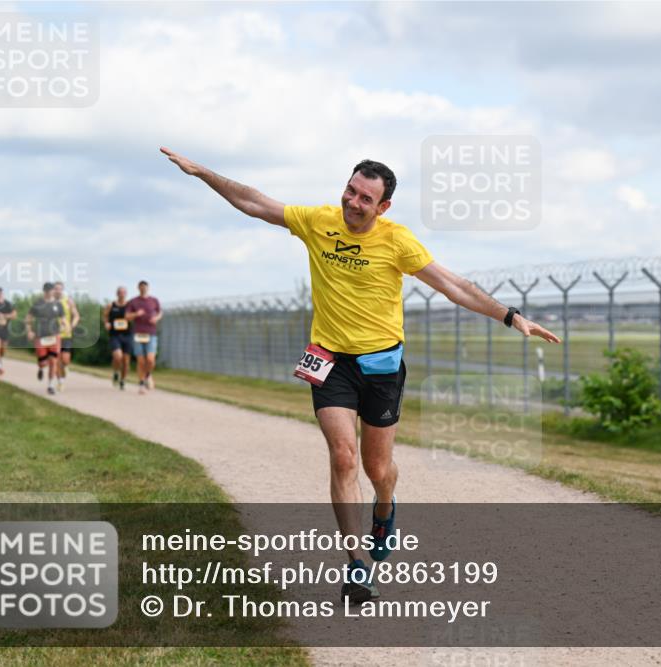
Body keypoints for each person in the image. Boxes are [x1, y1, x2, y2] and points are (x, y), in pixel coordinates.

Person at [161, 147, 561, 604]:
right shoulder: (317, 221)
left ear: (383, 206)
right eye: (350, 191)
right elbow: (254, 201)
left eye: (365, 199)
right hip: (329, 360)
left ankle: (385, 506)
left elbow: (454, 286)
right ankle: (357, 566)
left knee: (377, 468)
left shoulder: (397, 241)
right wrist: (201, 173)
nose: (353, 203)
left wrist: (511, 317)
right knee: (344, 457)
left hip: (381, 365)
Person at [26, 283, 64, 395]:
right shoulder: (38, 304)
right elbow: (28, 318)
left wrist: (63, 326)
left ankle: (50, 385)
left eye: (50, 290)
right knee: (43, 363)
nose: (48, 292)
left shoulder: (58, 304)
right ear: (44, 291)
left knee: (53, 361)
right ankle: (41, 368)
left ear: (53, 291)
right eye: (46, 290)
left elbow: (62, 320)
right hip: (40, 336)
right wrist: (29, 331)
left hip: (54, 336)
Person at [126, 280, 161, 394]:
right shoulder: (133, 301)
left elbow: (160, 312)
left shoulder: (154, 300)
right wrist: (136, 314)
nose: (143, 289)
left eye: (145, 287)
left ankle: (148, 375)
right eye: (141, 287)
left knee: (150, 359)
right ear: (138, 288)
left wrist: (156, 318)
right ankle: (141, 384)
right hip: (138, 334)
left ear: (148, 288)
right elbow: (127, 316)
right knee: (141, 361)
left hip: (151, 333)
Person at [103, 286, 133, 390]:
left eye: (124, 292)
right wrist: (106, 323)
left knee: (126, 361)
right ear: (117, 294)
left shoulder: (130, 306)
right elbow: (105, 316)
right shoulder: (111, 305)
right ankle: (116, 372)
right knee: (117, 356)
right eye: (120, 292)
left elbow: (134, 317)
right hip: (115, 335)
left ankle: (123, 380)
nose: (122, 294)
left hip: (127, 335)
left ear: (126, 294)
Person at [54, 281, 80, 392]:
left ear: (62, 290)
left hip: (66, 334)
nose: (57, 290)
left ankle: (64, 368)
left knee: (65, 360)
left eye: (60, 288)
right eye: (56, 288)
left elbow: (76, 316)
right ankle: (60, 382)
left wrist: (71, 325)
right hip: (54, 335)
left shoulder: (68, 301)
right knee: (56, 359)